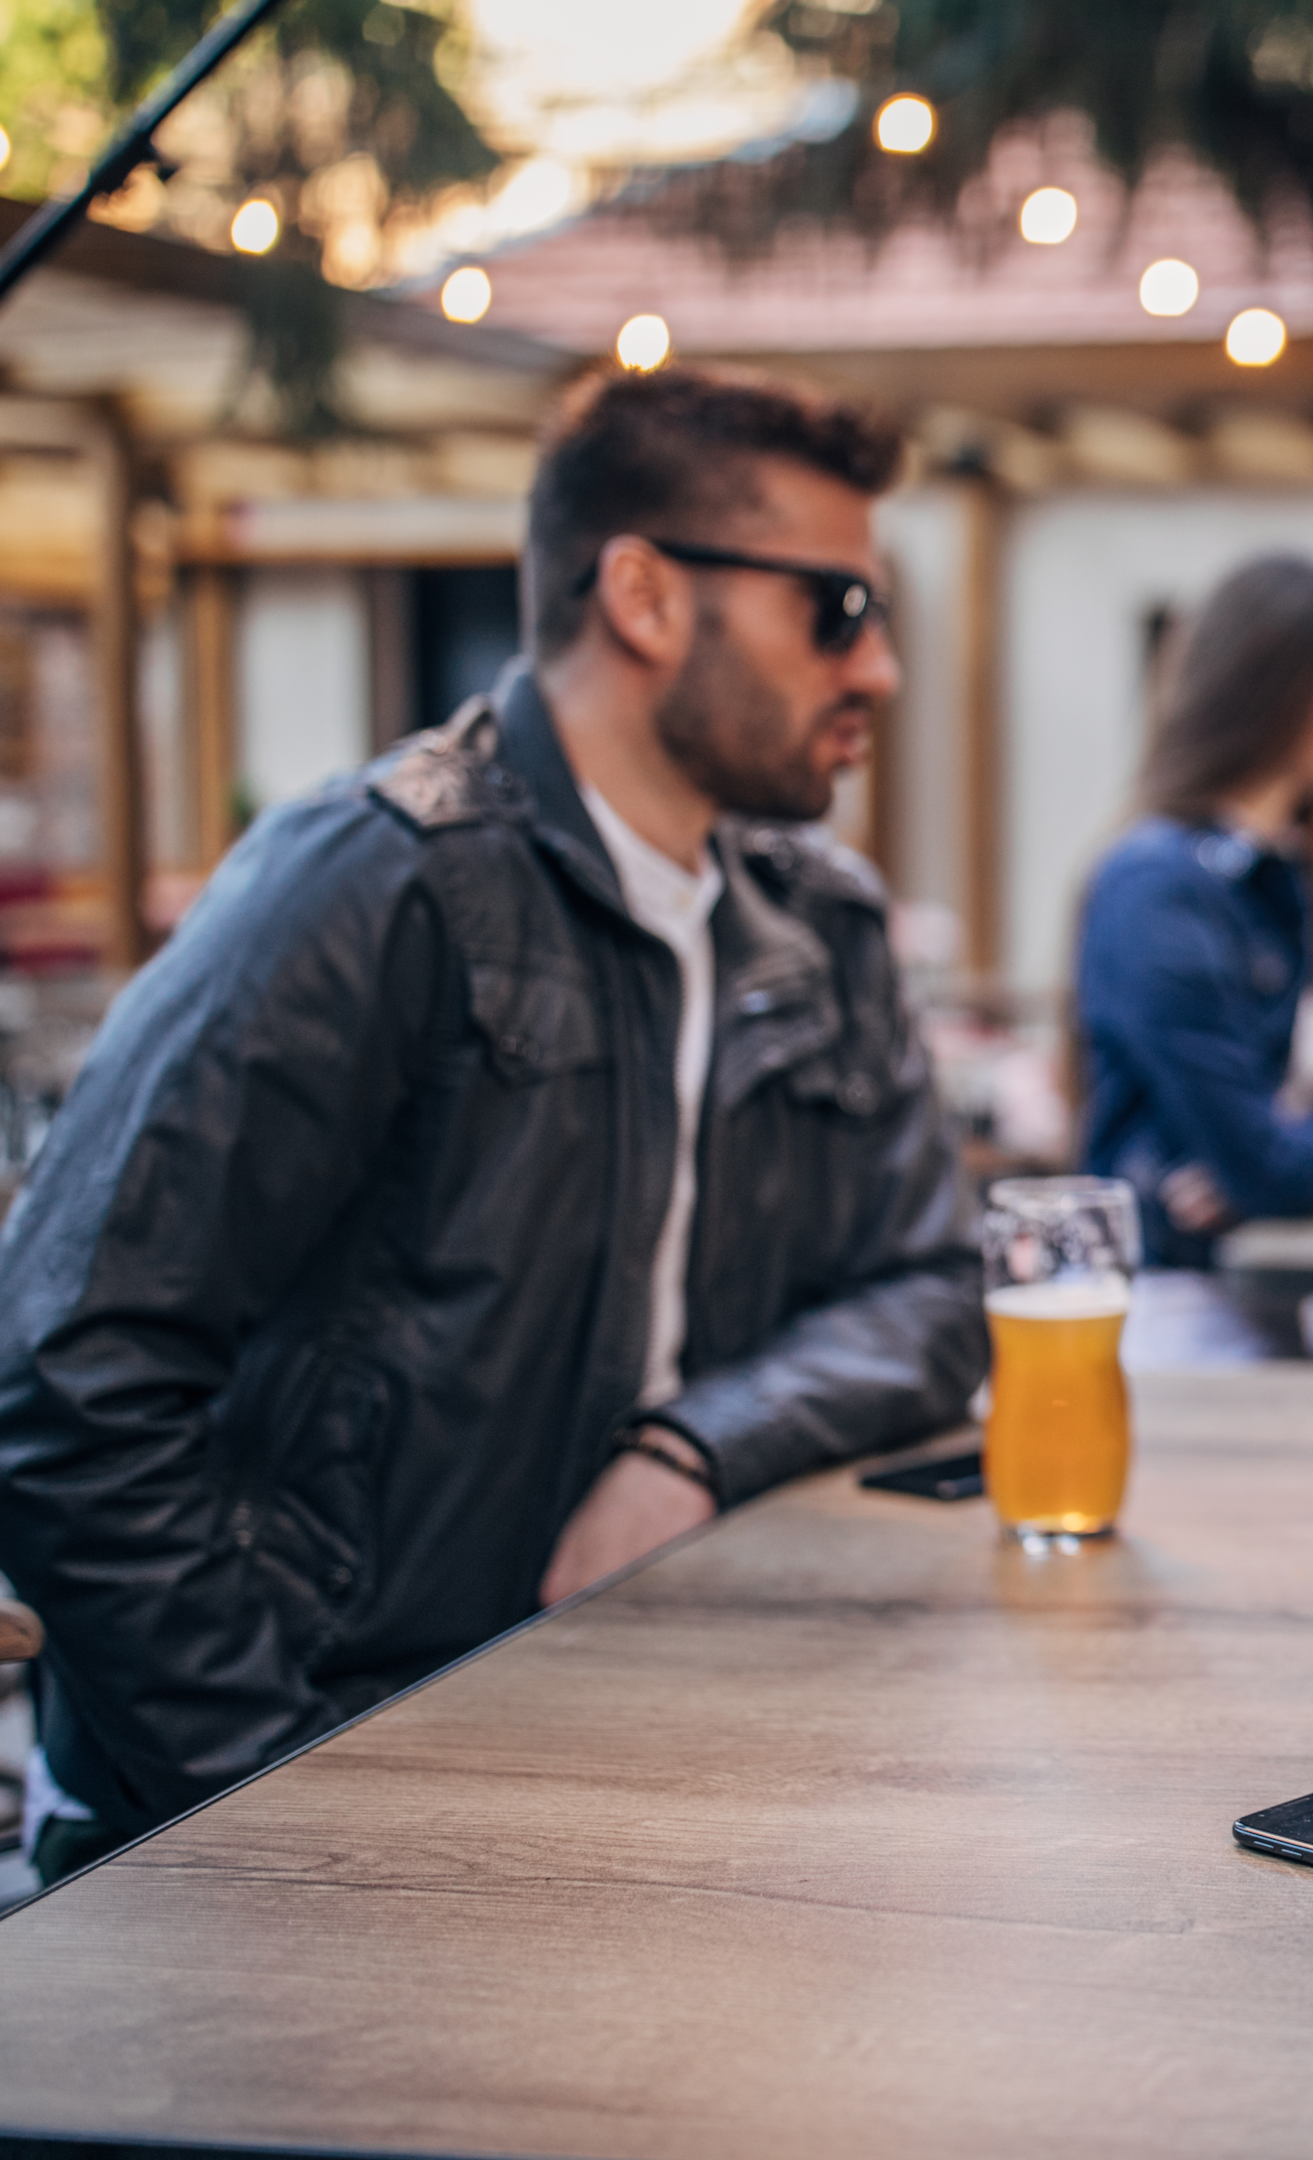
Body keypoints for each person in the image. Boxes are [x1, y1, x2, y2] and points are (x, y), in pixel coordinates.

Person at [0, 366, 988, 1887]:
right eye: (838, 610)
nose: (883, 670)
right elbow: (64, 1378)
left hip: (650, 1739)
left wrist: (693, 1448)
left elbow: (930, 1292)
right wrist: (287, 1798)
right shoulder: (373, 885)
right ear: (647, 598)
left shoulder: (816, 925)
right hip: (328, 1794)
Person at [1077, 555, 1313, 1367]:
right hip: (1176, 1317)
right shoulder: (1160, 887)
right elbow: (1272, 1168)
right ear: (1270, 684)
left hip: (1269, 1300)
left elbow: (1281, 1158)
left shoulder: (1284, 875)